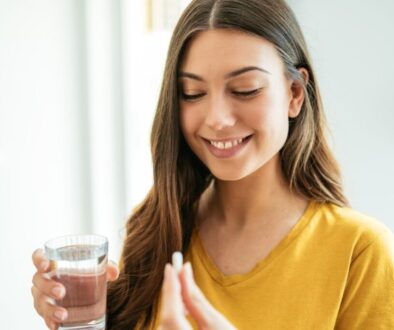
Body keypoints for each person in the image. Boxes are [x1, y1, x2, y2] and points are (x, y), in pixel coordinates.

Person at [31, 0, 394, 329]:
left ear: (295, 95)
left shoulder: (359, 252)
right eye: (193, 93)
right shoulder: (156, 232)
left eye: (245, 89)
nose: (217, 118)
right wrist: (79, 320)